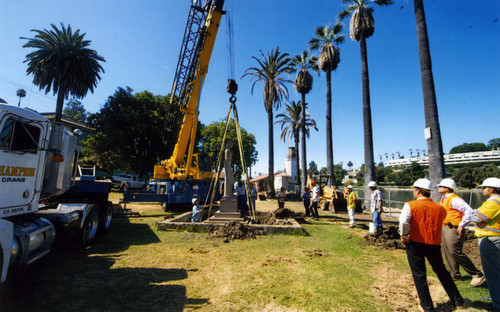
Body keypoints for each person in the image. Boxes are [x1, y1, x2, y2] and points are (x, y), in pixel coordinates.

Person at [399, 178, 464, 311]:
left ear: (417, 191)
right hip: (433, 243)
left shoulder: (410, 205)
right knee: (442, 271)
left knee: (419, 275)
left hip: (415, 243)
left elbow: (404, 222)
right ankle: (457, 300)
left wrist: (403, 235)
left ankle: (427, 306)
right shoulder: (439, 208)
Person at [437, 178, 485, 287]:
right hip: (445, 227)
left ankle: (476, 273)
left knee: (454, 251)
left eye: (440, 186)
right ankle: (455, 275)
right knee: (447, 251)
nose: (438, 188)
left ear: (447, 188)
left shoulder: (455, 199)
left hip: (453, 228)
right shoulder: (444, 198)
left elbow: (469, 211)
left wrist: (461, 224)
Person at [471, 177, 500, 311]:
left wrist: (474, 213)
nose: (481, 189)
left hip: (491, 240)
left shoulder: (494, 202)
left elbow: (477, 218)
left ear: (491, 189)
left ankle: (497, 304)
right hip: (495, 239)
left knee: (492, 273)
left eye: (484, 187)